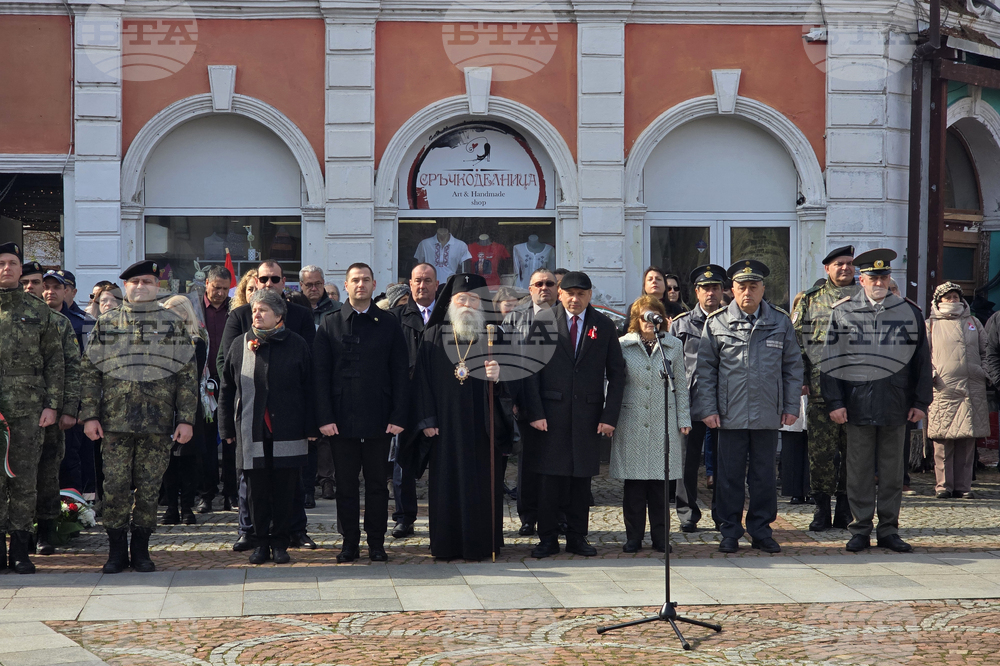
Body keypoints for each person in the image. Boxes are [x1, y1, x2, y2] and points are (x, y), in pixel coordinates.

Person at [80, 260, 197, 573]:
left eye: (147, 281)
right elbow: (89, 373)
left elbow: (187, 375)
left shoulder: (172, 324)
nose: (141, 287)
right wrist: (89, 415)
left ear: (157, 286)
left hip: (157, 423)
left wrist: (186, 419)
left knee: (148, 490)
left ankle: (142, 550)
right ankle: (116, 550)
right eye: (135, 282)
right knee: (115, 488)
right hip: (114, 422)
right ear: (125, 287)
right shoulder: (107, 323)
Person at [821, 249, 932, 553]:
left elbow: (922, 362)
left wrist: (921, 402)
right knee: (857, 472)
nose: (879, 282)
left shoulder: (908, 311)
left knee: (892, 472)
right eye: (873, 277)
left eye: (884, 277)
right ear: (862, 279)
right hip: (857, 404)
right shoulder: (843, 311)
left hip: (898, 404)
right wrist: (835, 402)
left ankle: (888, 530)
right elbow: (831, 360)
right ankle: (859, 529)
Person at [693, 259, 803, 554]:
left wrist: (791, 405)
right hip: (729, 414)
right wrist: (708, 408)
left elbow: (793, 367)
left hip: (768, 412)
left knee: (764, 477)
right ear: (732, 289)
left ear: (763, 289)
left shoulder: (780, 321)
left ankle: (761, 530)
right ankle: (729, 530)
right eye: (742, 287)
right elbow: (705, 371)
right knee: (729, 478)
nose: (747, 292)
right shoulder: (716, 322)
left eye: (753, 287)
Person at [521, 271, 626, 558]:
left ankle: (578, 537)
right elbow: (529, 371)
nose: (575, 299)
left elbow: (617, 374)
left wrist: (609, 415)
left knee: (581, 481)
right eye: (570, 293)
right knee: (549, 481)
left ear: (590, 295)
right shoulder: (543, 323)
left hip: (588, 416)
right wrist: (535, 412)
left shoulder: (603, 326)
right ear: (560, 294)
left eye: (582, 294)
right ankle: (547, 538)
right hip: (549, 416)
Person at [409, 273, 511, 560]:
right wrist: (427, 420)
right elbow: (421, 383)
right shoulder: (432, 337)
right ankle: (446, 544)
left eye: (474, 299)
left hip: (483, 427)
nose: (467, 304)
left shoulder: (494, 335)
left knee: (482, 486)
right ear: (451, 302)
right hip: (444, 428)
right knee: (446, 486)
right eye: (461, 299)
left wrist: (500, 377)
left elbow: (515, 382)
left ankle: (482, 544)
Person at [217, 260, 318, 552]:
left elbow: (309, 386)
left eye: (262, 311)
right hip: (252, 428)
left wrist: (312, 425)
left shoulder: (297, 343)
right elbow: (227, 386)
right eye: (254, 310)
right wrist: (226, 426)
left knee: (287, 488)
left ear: (279, 316)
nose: (256, 315)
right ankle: (258, 541)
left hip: (288, 426)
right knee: (256, 490)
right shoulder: (240, 343)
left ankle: (282, 542)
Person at [314, 263, 409, 562]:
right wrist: (324, 418)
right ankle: (349, 542)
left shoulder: (389, 323)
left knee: (378, 485)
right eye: (355, 280)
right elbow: (320, 376)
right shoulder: (330, 324)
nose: (360, 285)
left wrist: (398, 416)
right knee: (345, 485)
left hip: (380, 417)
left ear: (373, 283)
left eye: (366, 280)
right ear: (345, 285)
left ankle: (377, 543)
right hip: (341, 420)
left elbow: (400, 373)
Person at [0, 243, 64, 574]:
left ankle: (20, 550)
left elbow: (55, 361)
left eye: (12, 263)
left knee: (24, 480)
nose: (6, 268)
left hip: (27, 410)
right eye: (1, 263)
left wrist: (52, 406)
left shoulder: (38, 311)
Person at [611, 296, 690, 553]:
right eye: (644, 315)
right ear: (636, 318)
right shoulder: (622, 345)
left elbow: (681, 386)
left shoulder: (673, 346)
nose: (648, 320)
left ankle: (660, 538)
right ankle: (633, 537)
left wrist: (684, 418)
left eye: (653, 315)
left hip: (662, 421)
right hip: (631, 420)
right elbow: (612, 383)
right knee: (634, 486)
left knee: (660, 484)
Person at [792, 245, 859, 531]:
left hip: (858, 391)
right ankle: (821, 509)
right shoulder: (810, 300)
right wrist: (802, 379)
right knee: (820, 454)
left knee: (853, 454)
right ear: (827, 269)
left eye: (849, 264)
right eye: (839, 264)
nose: (845, 268)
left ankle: (845, 509)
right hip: (819, 391)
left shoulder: (866, 297)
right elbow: (796, 344)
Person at [669, 263, 727, 533]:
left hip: (725, 400)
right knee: (686, 462)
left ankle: (722, 514)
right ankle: (687, 514)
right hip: (689, 401)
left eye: (715, 287)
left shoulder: (731, 320)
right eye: (705, 288)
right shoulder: (681, 324)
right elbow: (668, 364)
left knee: (725, 462)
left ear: (723, 290)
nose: (710, 293)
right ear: (696, 292)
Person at [32, 270, 82, 557]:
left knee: (51, 472)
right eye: (42, 286)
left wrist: (70, 409)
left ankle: (46, 532)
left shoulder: (63, 324)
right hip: (16, 410)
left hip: (51, 411)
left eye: (52, 287)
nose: (47, 291)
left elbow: (72, 369)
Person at [506, 268, 559, 537]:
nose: (544, 288)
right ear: (529, 289)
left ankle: (558, 516)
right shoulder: (515, 317)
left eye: (550, 283)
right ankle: (528, 516)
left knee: (559, 463)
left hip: (561, 402)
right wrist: (513, 400)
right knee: (528, 463)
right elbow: (509, 361)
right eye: (538, 284)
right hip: (527, 401)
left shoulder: (566, 317)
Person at [387, 263, 439, 538]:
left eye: (428, 280)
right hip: (405, 401)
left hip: (440, 401)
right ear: (410, 283)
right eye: (417, 280)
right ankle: (404, 517)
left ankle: (442, 515)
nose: (422, 285)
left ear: (437, 284)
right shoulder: (395, 318)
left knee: (441, 461)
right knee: (402, 462)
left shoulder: (446, 318)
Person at [926, 282, 987, 500]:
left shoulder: (974, 322)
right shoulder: (931, 324)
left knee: (966, 439)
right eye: (948, 297)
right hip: (943, 388)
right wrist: (932, 374)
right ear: (938, 301)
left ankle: (963, 486)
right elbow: (924, 355)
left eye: (956, 297)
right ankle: (943, 485)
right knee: (943, 440)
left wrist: (983, 371)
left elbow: (985, 349)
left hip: (971, 387)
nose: (953, 301)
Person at [161, 295, 208, 526]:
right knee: (168, 460)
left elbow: (192, 375)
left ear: (185, 313)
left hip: (188, 406)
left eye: (174, 311)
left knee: (187, 459)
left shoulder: (196, 342)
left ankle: (187, 507)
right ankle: (171, 507)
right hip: (163, 406)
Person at [198, 265, 233, 514]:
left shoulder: (236, 310)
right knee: (206, 442)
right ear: (206, 284)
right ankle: (206, 494)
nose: (219, 292)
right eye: (215, 287)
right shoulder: (194, 309)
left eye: (224, 288)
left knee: (231, 440)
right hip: (202, 384)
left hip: (229, 383)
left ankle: (231, 492)